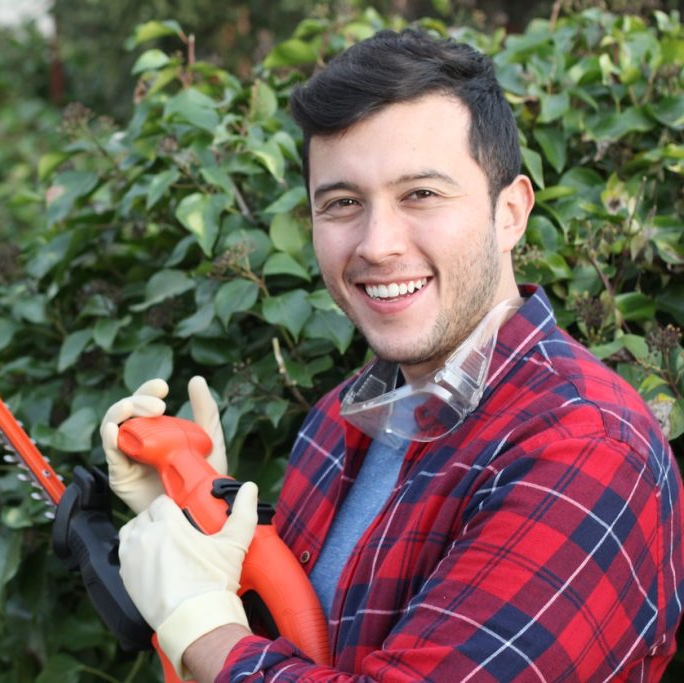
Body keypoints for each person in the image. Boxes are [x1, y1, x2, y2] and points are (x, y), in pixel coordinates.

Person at [100, 28, 684, 682]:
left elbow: (227, 648)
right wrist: (196, 516)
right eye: (343, 203)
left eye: (421, 195)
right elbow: (292, 650)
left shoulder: (587, 450)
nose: (377, 243)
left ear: (511, 212)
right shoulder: (337, 422)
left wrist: (198, 626)